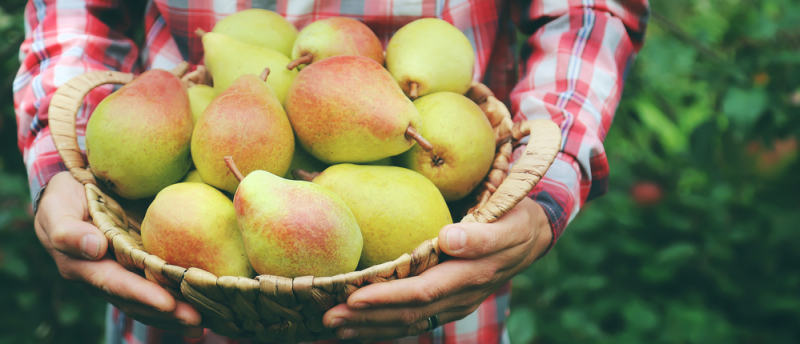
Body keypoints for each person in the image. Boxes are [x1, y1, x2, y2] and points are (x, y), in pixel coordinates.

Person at [14, 0, 649, 343]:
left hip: (448, 272)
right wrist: (60, 155)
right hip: (169, 273)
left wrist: (547, 183)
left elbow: (588, 10)